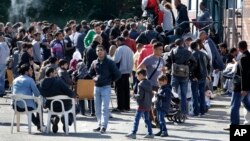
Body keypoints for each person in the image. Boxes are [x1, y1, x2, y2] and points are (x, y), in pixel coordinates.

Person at [89, 45, 121, 134]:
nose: (99, 51)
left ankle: (104, 126)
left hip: (106, 88)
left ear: (105, 51)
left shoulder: (110, 62)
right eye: (97, 50)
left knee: (104, 108)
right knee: (97, 108)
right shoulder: (94, 62)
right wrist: (94, 77)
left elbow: (118, 74)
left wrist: (110, 81)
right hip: (97, 87)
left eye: (101, 50)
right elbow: (90, 73)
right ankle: (99, 125)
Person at [39, 67, 76, 133]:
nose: (57, 75)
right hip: (64, 105)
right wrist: (74, 95)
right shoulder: (58, 81)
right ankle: (66, 120)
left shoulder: (42, 82)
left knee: (53, 105)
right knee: (76, 107)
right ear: (51, 73)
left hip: (50, 106)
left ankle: (54, 118)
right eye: (55, 73)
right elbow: (69, 92)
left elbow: (41, 93)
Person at [224, 40, 250, 130]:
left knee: (234, 105)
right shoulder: (248, 56)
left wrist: (244, 88)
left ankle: (234, 124)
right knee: (247, 103)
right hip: (245, 85)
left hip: (240, 86)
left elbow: (244, 73)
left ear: (239, 48)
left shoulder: (244, 58)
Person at [125, 69, 154, 139]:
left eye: (137, 76)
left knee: (136, 119)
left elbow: (140, 96)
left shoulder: (140, 84)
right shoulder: (149, 83)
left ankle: (133, 132)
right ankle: (150, 133)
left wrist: (133, 95)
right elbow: (152, 94)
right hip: (148, 104)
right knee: (147, 119)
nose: (136, 77)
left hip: (141, 105)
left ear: (140, 75)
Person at [12, 64, 41, 131]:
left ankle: (38, 124)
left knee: (27, 104)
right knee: (39, 103)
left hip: (16, 106)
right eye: (30, 70)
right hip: (27, 106)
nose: (32, 71)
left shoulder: (15, 80)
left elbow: (12, 92)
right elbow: (37, 94)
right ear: (26, 72)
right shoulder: (30, 80)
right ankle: (39, 124)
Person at [113, 36, 134, 112]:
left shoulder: (119, 49)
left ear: (119, 41)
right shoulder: (129, 49)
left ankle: (120, 107)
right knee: (126, 90)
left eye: (116, 41)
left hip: (120, 72)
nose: (116, 43)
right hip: (127, 72)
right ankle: (127, 106)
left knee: (119, 90)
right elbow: (132, 60)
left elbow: (116, 60)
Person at [0, 32, 10, 97]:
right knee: (1, 78)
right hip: (1, 63)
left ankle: (2, 91)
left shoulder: (4, 44)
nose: (3, 37)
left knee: (2, 78)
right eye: (1, 36)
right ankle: (1, 91)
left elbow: (8, 52)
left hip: (3, 63)